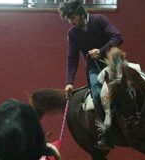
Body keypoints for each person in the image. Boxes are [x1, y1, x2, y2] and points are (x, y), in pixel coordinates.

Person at [58, 0, 123, 150]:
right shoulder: (72, 34)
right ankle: (104, 133)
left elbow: (118, 37)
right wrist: (69, 82)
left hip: (114, 62)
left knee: (138, 79)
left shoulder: (99, 19)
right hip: (94, 69)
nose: (70, 22)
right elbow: (72, 59)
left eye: (72, 17)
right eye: (68, 19)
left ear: (80, 13)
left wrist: (101, 50)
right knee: (98, 93)